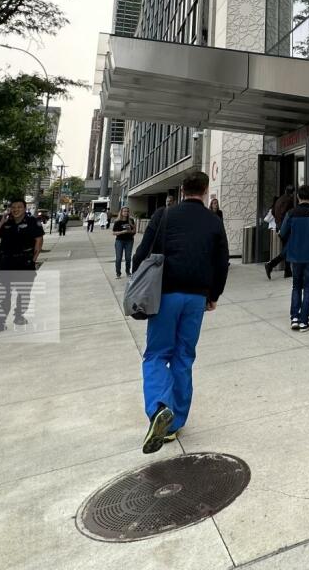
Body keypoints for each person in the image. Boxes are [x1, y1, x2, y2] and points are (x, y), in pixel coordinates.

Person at [132, 171, 229, 453]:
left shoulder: (164, 215)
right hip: (196, 297)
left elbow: (142, 253)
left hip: (166, 294)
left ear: (182, 189)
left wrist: (136, 282)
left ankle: (158, 407)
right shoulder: (214, 221)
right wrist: (214, 295)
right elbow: (221, 262)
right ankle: (174, 424)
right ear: (205, 190)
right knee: (184, 356)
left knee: (156, 354)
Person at [0, 198, 45, 330]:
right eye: (13, 207)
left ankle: (19, 315)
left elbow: (39, 240)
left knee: (23, 292)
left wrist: (33, 260)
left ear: (24, 209)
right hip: (6, 262)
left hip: (24, 262)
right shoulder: (5, 222)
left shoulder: (32, 222)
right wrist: (1, 222)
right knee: (3, 293)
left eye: (19, 207)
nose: (16, 209)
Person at [278, 184, 309, 332]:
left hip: (295, 256)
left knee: (296, 286)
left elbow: (283, 233)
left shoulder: (291, 214)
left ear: (298, 196)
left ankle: (294, 317)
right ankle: (304, 321)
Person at [264, 185, 296, 280]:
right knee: (288, 248)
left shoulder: (279, 199)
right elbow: (286, 214)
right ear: (292, 193)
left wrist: (278, 223)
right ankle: (271, 264)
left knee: (287, 248)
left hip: (279, 227)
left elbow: (273, 212)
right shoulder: (289, 200)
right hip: (285, 228)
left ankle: (287, 271)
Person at [112, 206, 137, 279]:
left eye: (127, 211)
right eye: (124, 211)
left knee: (128, 258)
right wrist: (122, 232)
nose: (126, 213)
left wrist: (130, 231)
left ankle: (128, 272)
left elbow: (134, 231)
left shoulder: (131, 220)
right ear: (121, 212)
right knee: (118, 258)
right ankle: (118, 273)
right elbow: (114, 232)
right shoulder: (117, 221)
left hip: (129, 241)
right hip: (119, 241)